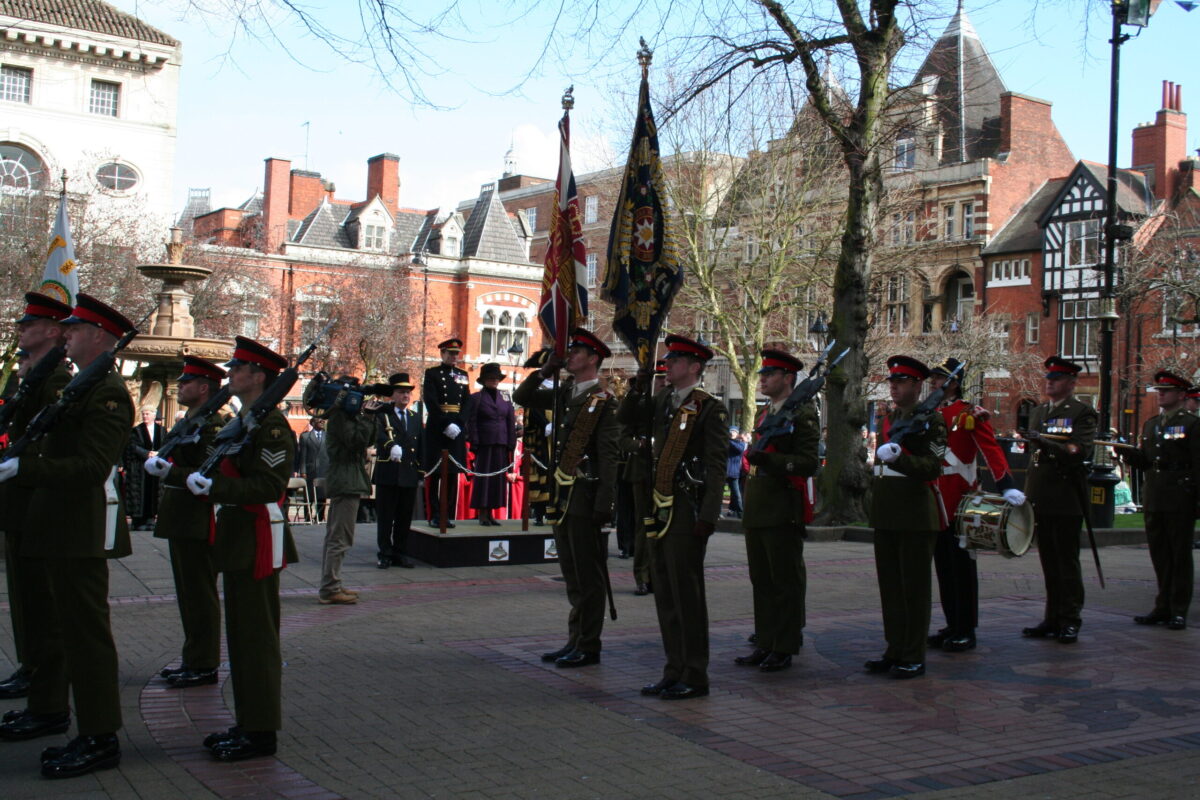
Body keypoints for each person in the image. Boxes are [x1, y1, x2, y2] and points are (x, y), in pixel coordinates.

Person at [0, 294, 135, 778]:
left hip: (77, 530)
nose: (66, 334)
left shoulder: (107, 392)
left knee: (86, 637)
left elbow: (91, 467)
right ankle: (60, 713)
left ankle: (100, 736)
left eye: (75, 330)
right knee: (61, 628)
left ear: (98, 336)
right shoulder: (80, 385)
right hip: (54, 525)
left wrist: (26, 466)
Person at [185, 336, 298, 762]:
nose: (229, 374)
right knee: (241, 636)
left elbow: (269, 486)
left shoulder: (269, 425)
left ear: (257, 377)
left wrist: (218, 487)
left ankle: (260, 732)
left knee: (255, 640)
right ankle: (248, 721)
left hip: (255, 540)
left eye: (237, 368)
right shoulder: (245, 419)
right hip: (237, 539)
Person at [622, 335, 727, 700]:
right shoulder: (664, 399)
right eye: (668, 359)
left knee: (687, 594)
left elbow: (716, 467)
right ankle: (673, 668)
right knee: (664, 590)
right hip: (660, 502)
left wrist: (709, 516)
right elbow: (628, 417)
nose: (669, 364)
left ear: (695, 367)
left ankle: (695, 674)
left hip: (687, 506)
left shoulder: (709, 408)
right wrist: (639, 381)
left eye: (676, 360)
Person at [514, 328, 619, 669]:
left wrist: (605, 504)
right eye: (569, 351)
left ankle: (589, 644)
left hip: (585, 496)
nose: (569, 356)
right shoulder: (565, 392)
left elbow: (608, 456)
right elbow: (523, 396)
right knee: (572, 572)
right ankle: (575, 639)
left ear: (593, 359)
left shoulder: (604, 402)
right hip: (563, 494)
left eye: (576, 352)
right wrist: (545, 371)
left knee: (588, 575)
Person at [0, 293, 72, 706]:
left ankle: (42, 678)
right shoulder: (34, 378)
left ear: (52, 331)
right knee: (23, 595)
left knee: (40, 601)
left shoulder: (58, 381)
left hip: (37, 500)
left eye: (29, 324)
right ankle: (31, 666)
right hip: (20, 500)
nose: (20, 329)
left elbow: (52, 446)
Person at [926, 358, 1025, 653]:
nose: (932, 383)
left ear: (953, 383)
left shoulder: (969, 413)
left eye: (938, 379)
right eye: (932, 378)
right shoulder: (929, 413)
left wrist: (1005, 484)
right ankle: (950, 623)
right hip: (934, 497)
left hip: (959, 499)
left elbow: (989, 448)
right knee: (943, 566)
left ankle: (965, 628)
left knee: (961, 568)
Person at [144, 356, 230, 688]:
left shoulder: (212, 425)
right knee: (188, 594)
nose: (180, 386)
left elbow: (209, 472)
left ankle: (204, 663)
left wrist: (170, 471)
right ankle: (193, 657)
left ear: (204, 388)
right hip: (181, 516)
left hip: (198, 517)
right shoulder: (191, 420)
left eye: (187, 382)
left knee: (200, 594)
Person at [735, 348, 820, 673]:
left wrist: (769, 460)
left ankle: (784, 645)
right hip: (759, 502)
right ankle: (766, 641)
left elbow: (809, 462)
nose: (763, 379)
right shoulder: (766, 413)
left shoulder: (802, 412)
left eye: (769, 374)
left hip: (782, 505)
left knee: (784, 579)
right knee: (762, 579)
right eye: (762, 374)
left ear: (787, 378)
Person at [864, 355, 947, 680]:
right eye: (891, 382)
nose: (894, 387)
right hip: (885, 512)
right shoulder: (889, 418)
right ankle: (894, 648)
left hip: (915, 513)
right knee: (891, 588)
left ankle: (913, 654)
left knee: (913, 589)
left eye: (900, 382)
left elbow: (933, 467)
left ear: (917, 384)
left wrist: (899, 460)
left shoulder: (932, 421)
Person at [1021, 355, 1098, 645]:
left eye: (1056, 379)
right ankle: (1052, 617)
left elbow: (1080, 451)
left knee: (1066, 562)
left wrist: (1046, 442)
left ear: (1070, 382)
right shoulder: (1039, 412)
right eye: (1048, 378)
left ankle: (1069, 618)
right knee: (1049, 561)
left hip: (1066, 496)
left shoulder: (1081, 412)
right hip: (1042, 495)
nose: (1050, 383)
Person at [1118, 370, 1199, 630]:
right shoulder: (1151, 424)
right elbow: (1146, 461)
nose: (1160, 394)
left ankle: (1178, 609)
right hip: (1155, 495)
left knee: (1179, 555)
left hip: (1180, 495)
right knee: (1160, 554)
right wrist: (1128, 455)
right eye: (1159, 390)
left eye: (1166, 390)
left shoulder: (1192, 424)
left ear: (1181, 394)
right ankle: (1162, 606)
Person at [317, 376, 377, 605]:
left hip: (347, 479)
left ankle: (333, 583)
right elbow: (357, 441)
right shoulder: (340, 418)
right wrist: (368, 417)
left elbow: (368, 438)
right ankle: (330, 587)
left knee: (339, 535)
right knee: (339, 537)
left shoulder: (344, 417)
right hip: (345, 480)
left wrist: (369, 417)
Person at [373, 373, 423, 569]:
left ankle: (400, 552)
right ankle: (384, 553)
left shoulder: (415, 417)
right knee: (386, 517)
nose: (406, 395)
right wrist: (389, 444)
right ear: (392, 395)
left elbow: (421, 447)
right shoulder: (382, 414)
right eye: (401, 392)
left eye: (408, 392)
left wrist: (421, 472)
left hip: (409, 473)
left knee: (404, 517)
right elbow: (376, 434)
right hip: (389, 472)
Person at [423, 337, 469, 528]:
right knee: (435, 474)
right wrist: (445, 423)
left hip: (456, 428)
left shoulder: (463, 375)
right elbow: (431, 400)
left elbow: (466, 402)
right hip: (439, 428)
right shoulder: (432, 373)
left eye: (456, 354)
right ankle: (434, 513)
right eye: (450, 353)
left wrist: (459, 423)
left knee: (452, 473)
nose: (453, 357)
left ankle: (447, 513)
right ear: (442, 354)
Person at [465, 362, 516, 526]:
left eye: (496, 378)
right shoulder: (476, 398)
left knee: (497, 479)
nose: (494, 380)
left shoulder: (505, 397)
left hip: (500, 442)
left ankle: (492, 512)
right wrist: (475, 441)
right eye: (491, 378)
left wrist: (511, 442)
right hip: (485, 443)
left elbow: (510, 420)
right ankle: (482, 513)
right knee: (484, 479)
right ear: (484, 380)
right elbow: (471, 421)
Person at [520, 351, 554, 526]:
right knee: (542, 475)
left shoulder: (560, 386)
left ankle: (553, 510)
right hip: (542, 438)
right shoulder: (537, 388)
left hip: (556, 439)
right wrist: (545, 424)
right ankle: (540, 513)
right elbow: (531, 409)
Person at [126, 407, 164, 530]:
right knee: (139, 491)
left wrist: (158, 453)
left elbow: (166, 444)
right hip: (140, 467)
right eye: (143, 414)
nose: (145, 416)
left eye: (147, 414)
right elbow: (132, 445)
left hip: (155, 465)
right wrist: (146, 453)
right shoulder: (136, 431)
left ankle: (151, 518)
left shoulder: (161, 431)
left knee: (154, 491)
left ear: (154, 415)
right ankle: (138, 520)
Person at [295, 417, 329, 522]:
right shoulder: (305, 437)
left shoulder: (328, 437)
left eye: (323, 420)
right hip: (310, 471)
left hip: (324, 470)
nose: (322, 422)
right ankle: (307, 517)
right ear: (313, 423)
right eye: (320, 421)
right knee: (309, 495)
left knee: (322, 496)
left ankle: (319, 516)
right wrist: (303, 471)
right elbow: (302, 456)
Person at [725, 427, 747, 518]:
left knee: (736, 494)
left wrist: (727, 439)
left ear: (737, 433)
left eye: (734, 432)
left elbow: (739, 449)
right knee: (718, 493)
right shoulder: (726, 443)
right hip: (724, 472)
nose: (732, 433)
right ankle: (721, 512)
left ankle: (740, 512)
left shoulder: (740, 443)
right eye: (731, 432)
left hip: (734, 473)